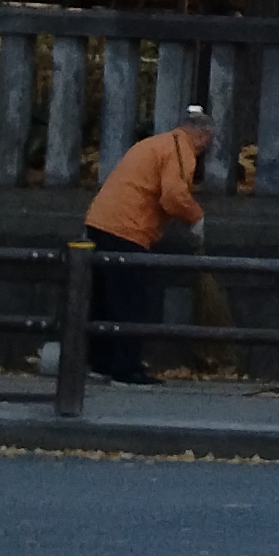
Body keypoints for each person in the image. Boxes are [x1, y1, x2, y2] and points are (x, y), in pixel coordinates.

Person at [84, 105, 208, 381]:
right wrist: (196, 218)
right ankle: (126, 367)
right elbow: (173, 195)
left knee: (105, 299)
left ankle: (100, 362)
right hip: (128, 228)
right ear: (202, 136)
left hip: (101, 220)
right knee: (131, 300)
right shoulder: (181, 150)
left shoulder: (154, 143)